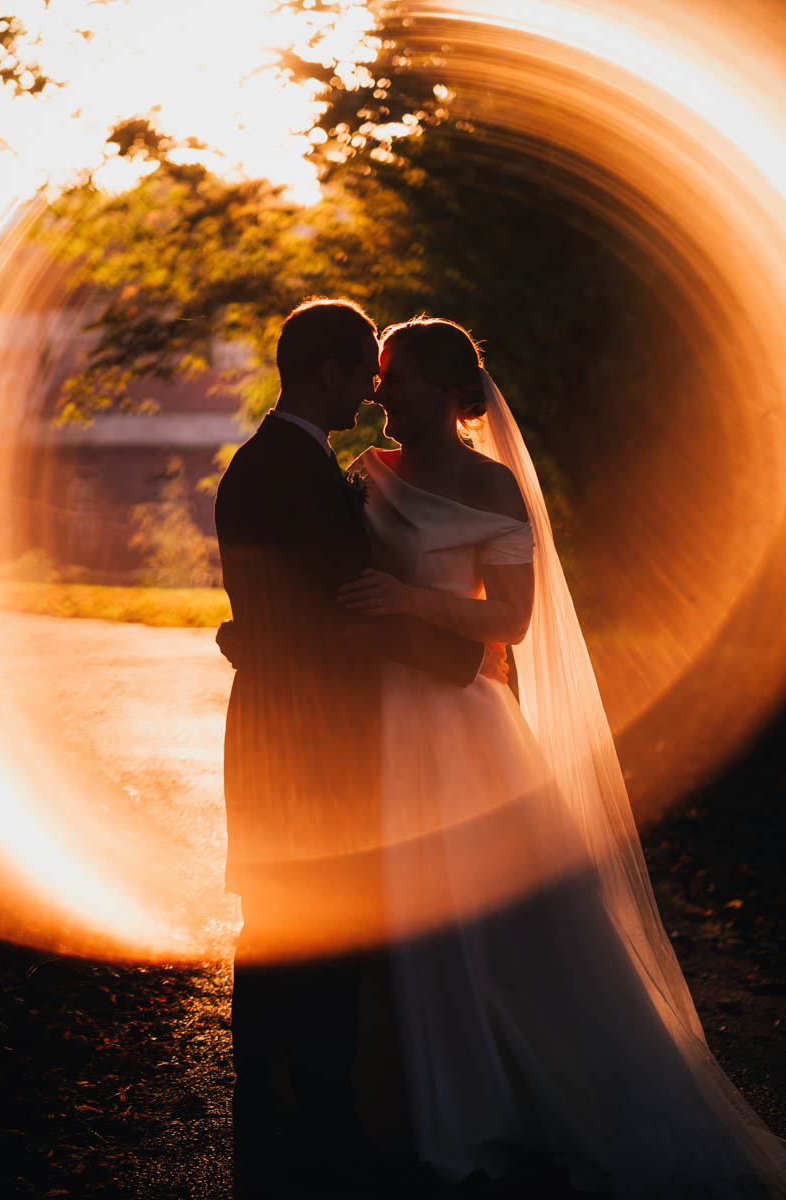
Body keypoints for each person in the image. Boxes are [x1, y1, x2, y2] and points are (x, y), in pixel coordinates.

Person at [332, 317, 786, 1198]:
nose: (381, 392)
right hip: (372, 717)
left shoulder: (492, 486)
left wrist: (409, 602)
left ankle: (500, 1108)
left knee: (486, 922)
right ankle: (409, 1111)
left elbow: (509, 620)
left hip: (457, 724)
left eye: (397, 377)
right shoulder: (363, 472)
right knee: (394, 917)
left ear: (447, 393)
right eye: (379, 376)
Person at [213, 299, 488, 1196]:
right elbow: (339, 610)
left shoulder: (279, 461)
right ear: (327, 372)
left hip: (282, 725)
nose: (373, 394)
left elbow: (282, 603)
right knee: (315, 925)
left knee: (285, 919)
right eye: (365, 374)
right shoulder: (289, 469)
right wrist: (463, 659)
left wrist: (247, 635)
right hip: (308, 737)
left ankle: (275, 1105)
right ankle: (313, 1119)